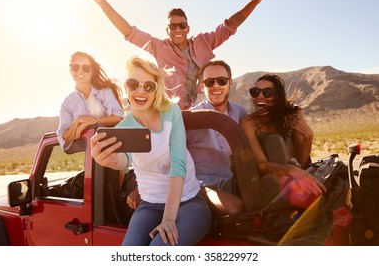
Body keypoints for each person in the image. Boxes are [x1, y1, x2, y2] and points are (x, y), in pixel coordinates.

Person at [90, 54, 212, 246]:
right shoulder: (123, 128)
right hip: (150, 205)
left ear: (157, 90)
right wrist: (108, 160)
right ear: (126, 87)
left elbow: (178, 165)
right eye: (133, 84)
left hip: (189, 201)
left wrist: (169, 219)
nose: (141, 91)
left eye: (149, 86)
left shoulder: (171, 112)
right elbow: (123, 160)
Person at [86, 0, 273, 109]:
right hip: (171, 113)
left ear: (188, 28)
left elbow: (230, 26)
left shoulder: (203, 42)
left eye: (181, 25)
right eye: (173, 26)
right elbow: (128, 31)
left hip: (203, 109)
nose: (178, 30)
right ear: (167, 30)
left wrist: (255, 0)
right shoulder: (158, 48)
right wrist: (102, 2)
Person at [239, 74, 327, 209]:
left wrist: (308, 137)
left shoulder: (289, 116)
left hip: (294, 172)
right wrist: (290, 170)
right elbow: (262, 165)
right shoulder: (248, 122)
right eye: (255, 92)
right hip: (269, 179)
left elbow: (302, 159)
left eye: (267, 92)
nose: (260, 96)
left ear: (277, 97)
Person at [186, 59, 247, 215]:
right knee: (236, 208)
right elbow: (169, 152)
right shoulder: (192, 118)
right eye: (209, 82)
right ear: (202, 86)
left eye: (221, 80)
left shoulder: (240, 112)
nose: (216, 86)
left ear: (230, 83)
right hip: (203, 185)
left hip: (234, 181)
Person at [57, 51, 124, 150]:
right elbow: (64, 138)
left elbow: (118, 116)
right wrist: (78, 122)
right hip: (89, 157)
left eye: (86, 68)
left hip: (113, 148)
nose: (80, 71)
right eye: (75, 67)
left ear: (92, 72)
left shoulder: (105, 92)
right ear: (70, 70)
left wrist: (89, 123)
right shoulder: (67, 103)